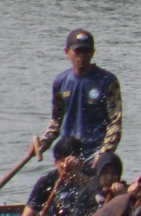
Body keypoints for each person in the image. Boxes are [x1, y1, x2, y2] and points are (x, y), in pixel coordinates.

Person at [33, 29, 121, 164]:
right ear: (67, 52)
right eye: (78, 51)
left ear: (93, 53)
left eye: (86, 51)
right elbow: (57, 120)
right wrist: (43, 143)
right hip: (68, 153)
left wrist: (104, 154)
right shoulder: (60, 82)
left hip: (95, 151)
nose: (82, 56)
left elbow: (115, 123)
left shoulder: (107, 81)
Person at [13, 136, 97, 216]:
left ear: (81, 162)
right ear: (56, 162)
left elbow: (97, 194)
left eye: (71, 162)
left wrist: (77, 175)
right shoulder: (46, 182)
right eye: (62, 162)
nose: (66, 167)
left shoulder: (89, 177)